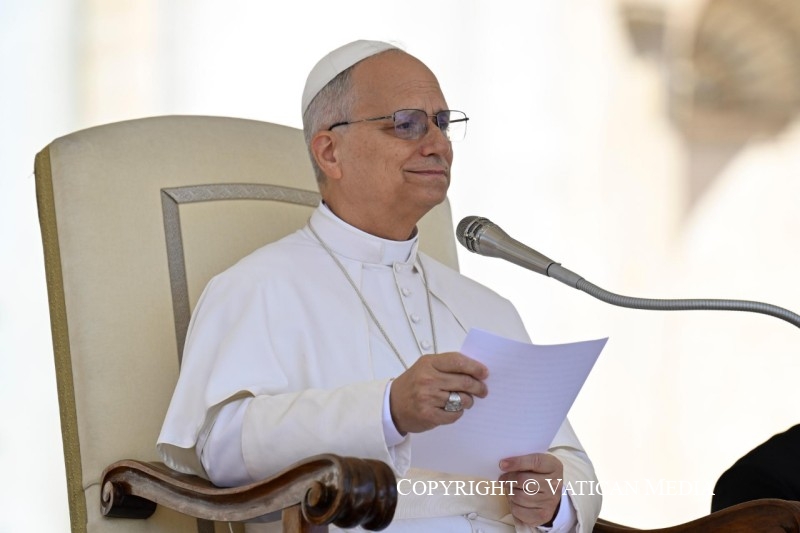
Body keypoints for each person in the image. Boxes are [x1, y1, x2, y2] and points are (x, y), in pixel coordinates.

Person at [158, 40, 601, 532]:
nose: (437, 143)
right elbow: (221, 448)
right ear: (330, 151)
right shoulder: (255, 287)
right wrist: (386, 409)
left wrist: (556, 501)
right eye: (407, 123)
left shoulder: (485, 305)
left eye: (442, 122)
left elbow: (572, 461)